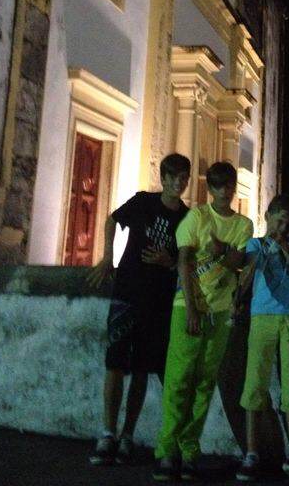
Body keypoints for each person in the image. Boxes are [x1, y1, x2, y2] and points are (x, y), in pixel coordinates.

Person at [87, 153, 191, 465]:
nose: (178, 183)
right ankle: (108, 432)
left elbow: (186, 261)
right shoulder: (144, 202)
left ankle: (127, 436)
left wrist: (168, 261)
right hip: (127, 290)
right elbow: (112, 220)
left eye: (183, 178)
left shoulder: (187, 218)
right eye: (173, 177)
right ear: (163, 178)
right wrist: (109, 257)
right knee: (115, 363)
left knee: (142, 368)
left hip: (158, 300)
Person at [153, 161, 253, 482]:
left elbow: (238, 261)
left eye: (228, 185)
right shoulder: (196, 218)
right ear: (209, 189)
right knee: (179, 378)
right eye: (218, 185)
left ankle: (189, 449)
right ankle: (167, 449)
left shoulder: (243, 224)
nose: (224, 191)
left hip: (220, 310)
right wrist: (192, 308)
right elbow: (184, 261)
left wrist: (221, 250)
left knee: (205, 383)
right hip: (188, 306)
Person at [236, 194, 289, 484]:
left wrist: (286, 248)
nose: (283, 228)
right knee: (255, 383)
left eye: (288, 224)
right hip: (261, 316)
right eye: (279, 221)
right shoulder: (255, 244)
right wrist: (267, 247)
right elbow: (248, 272)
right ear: (267, 217)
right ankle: (252, 452)